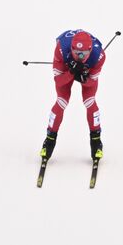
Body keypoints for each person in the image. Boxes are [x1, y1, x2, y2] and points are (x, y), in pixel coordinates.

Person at [40, 30, 107, 163]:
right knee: (61, 101)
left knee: (89, 101)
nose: (80, 56)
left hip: (87, 70)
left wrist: (83, 78)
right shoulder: (61, 49)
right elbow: (58, 80)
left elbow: (92, 82)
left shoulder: (99, 55)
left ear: (90, 50)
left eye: (84, 53)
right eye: (76, 53)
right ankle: (49, 140)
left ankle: (96, 142)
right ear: (71, 48)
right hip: (65, 66)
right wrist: (71, 72)